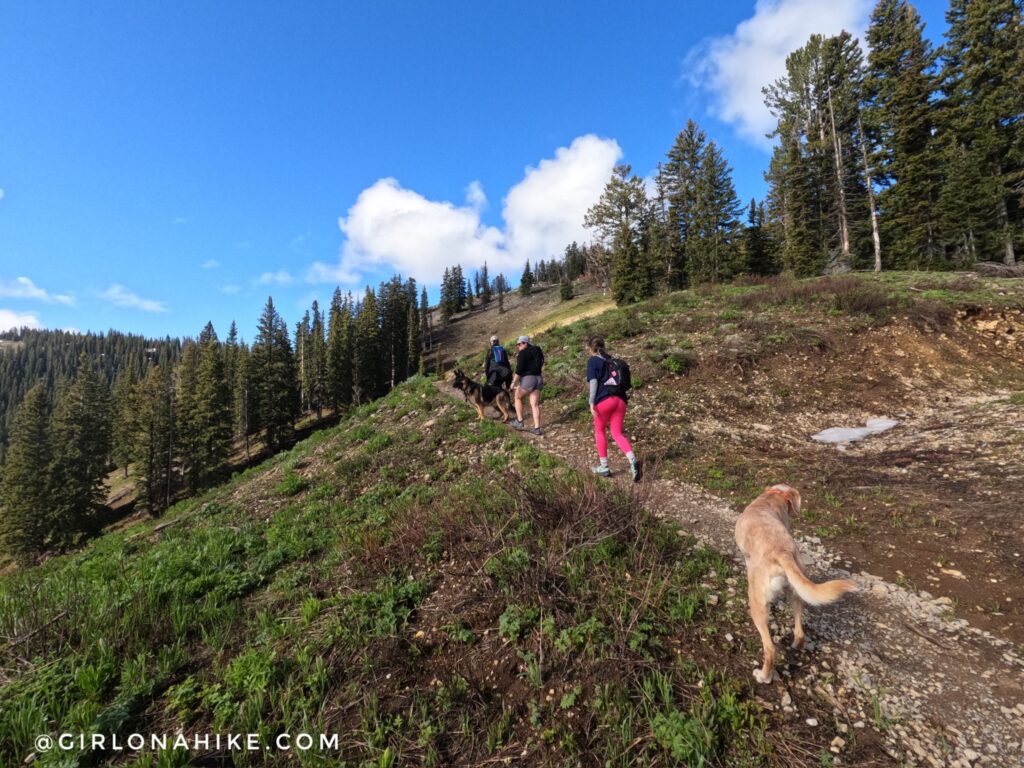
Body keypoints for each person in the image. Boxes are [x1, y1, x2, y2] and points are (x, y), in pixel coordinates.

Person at [586, 336, 641, 481]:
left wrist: (591, 402)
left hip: (604, 400)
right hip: (621, 400)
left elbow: (593, 382)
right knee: (617, 433)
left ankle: (604, 466)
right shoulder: (612, 361)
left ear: (591, 348)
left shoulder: (593, 361)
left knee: (599, 430)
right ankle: (632, 460)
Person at [510, 335, 543, 435]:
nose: (518, 346)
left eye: (519, 344)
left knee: (517, 397)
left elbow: (519, 369)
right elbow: (540, 363)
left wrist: (513, 383)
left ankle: (520, 422)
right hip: (538, 378)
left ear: (525, 343)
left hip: (528, 378)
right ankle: (537, 428)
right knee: (534, 404)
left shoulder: (523, 353)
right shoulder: (537, 350)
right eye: (517, 344)